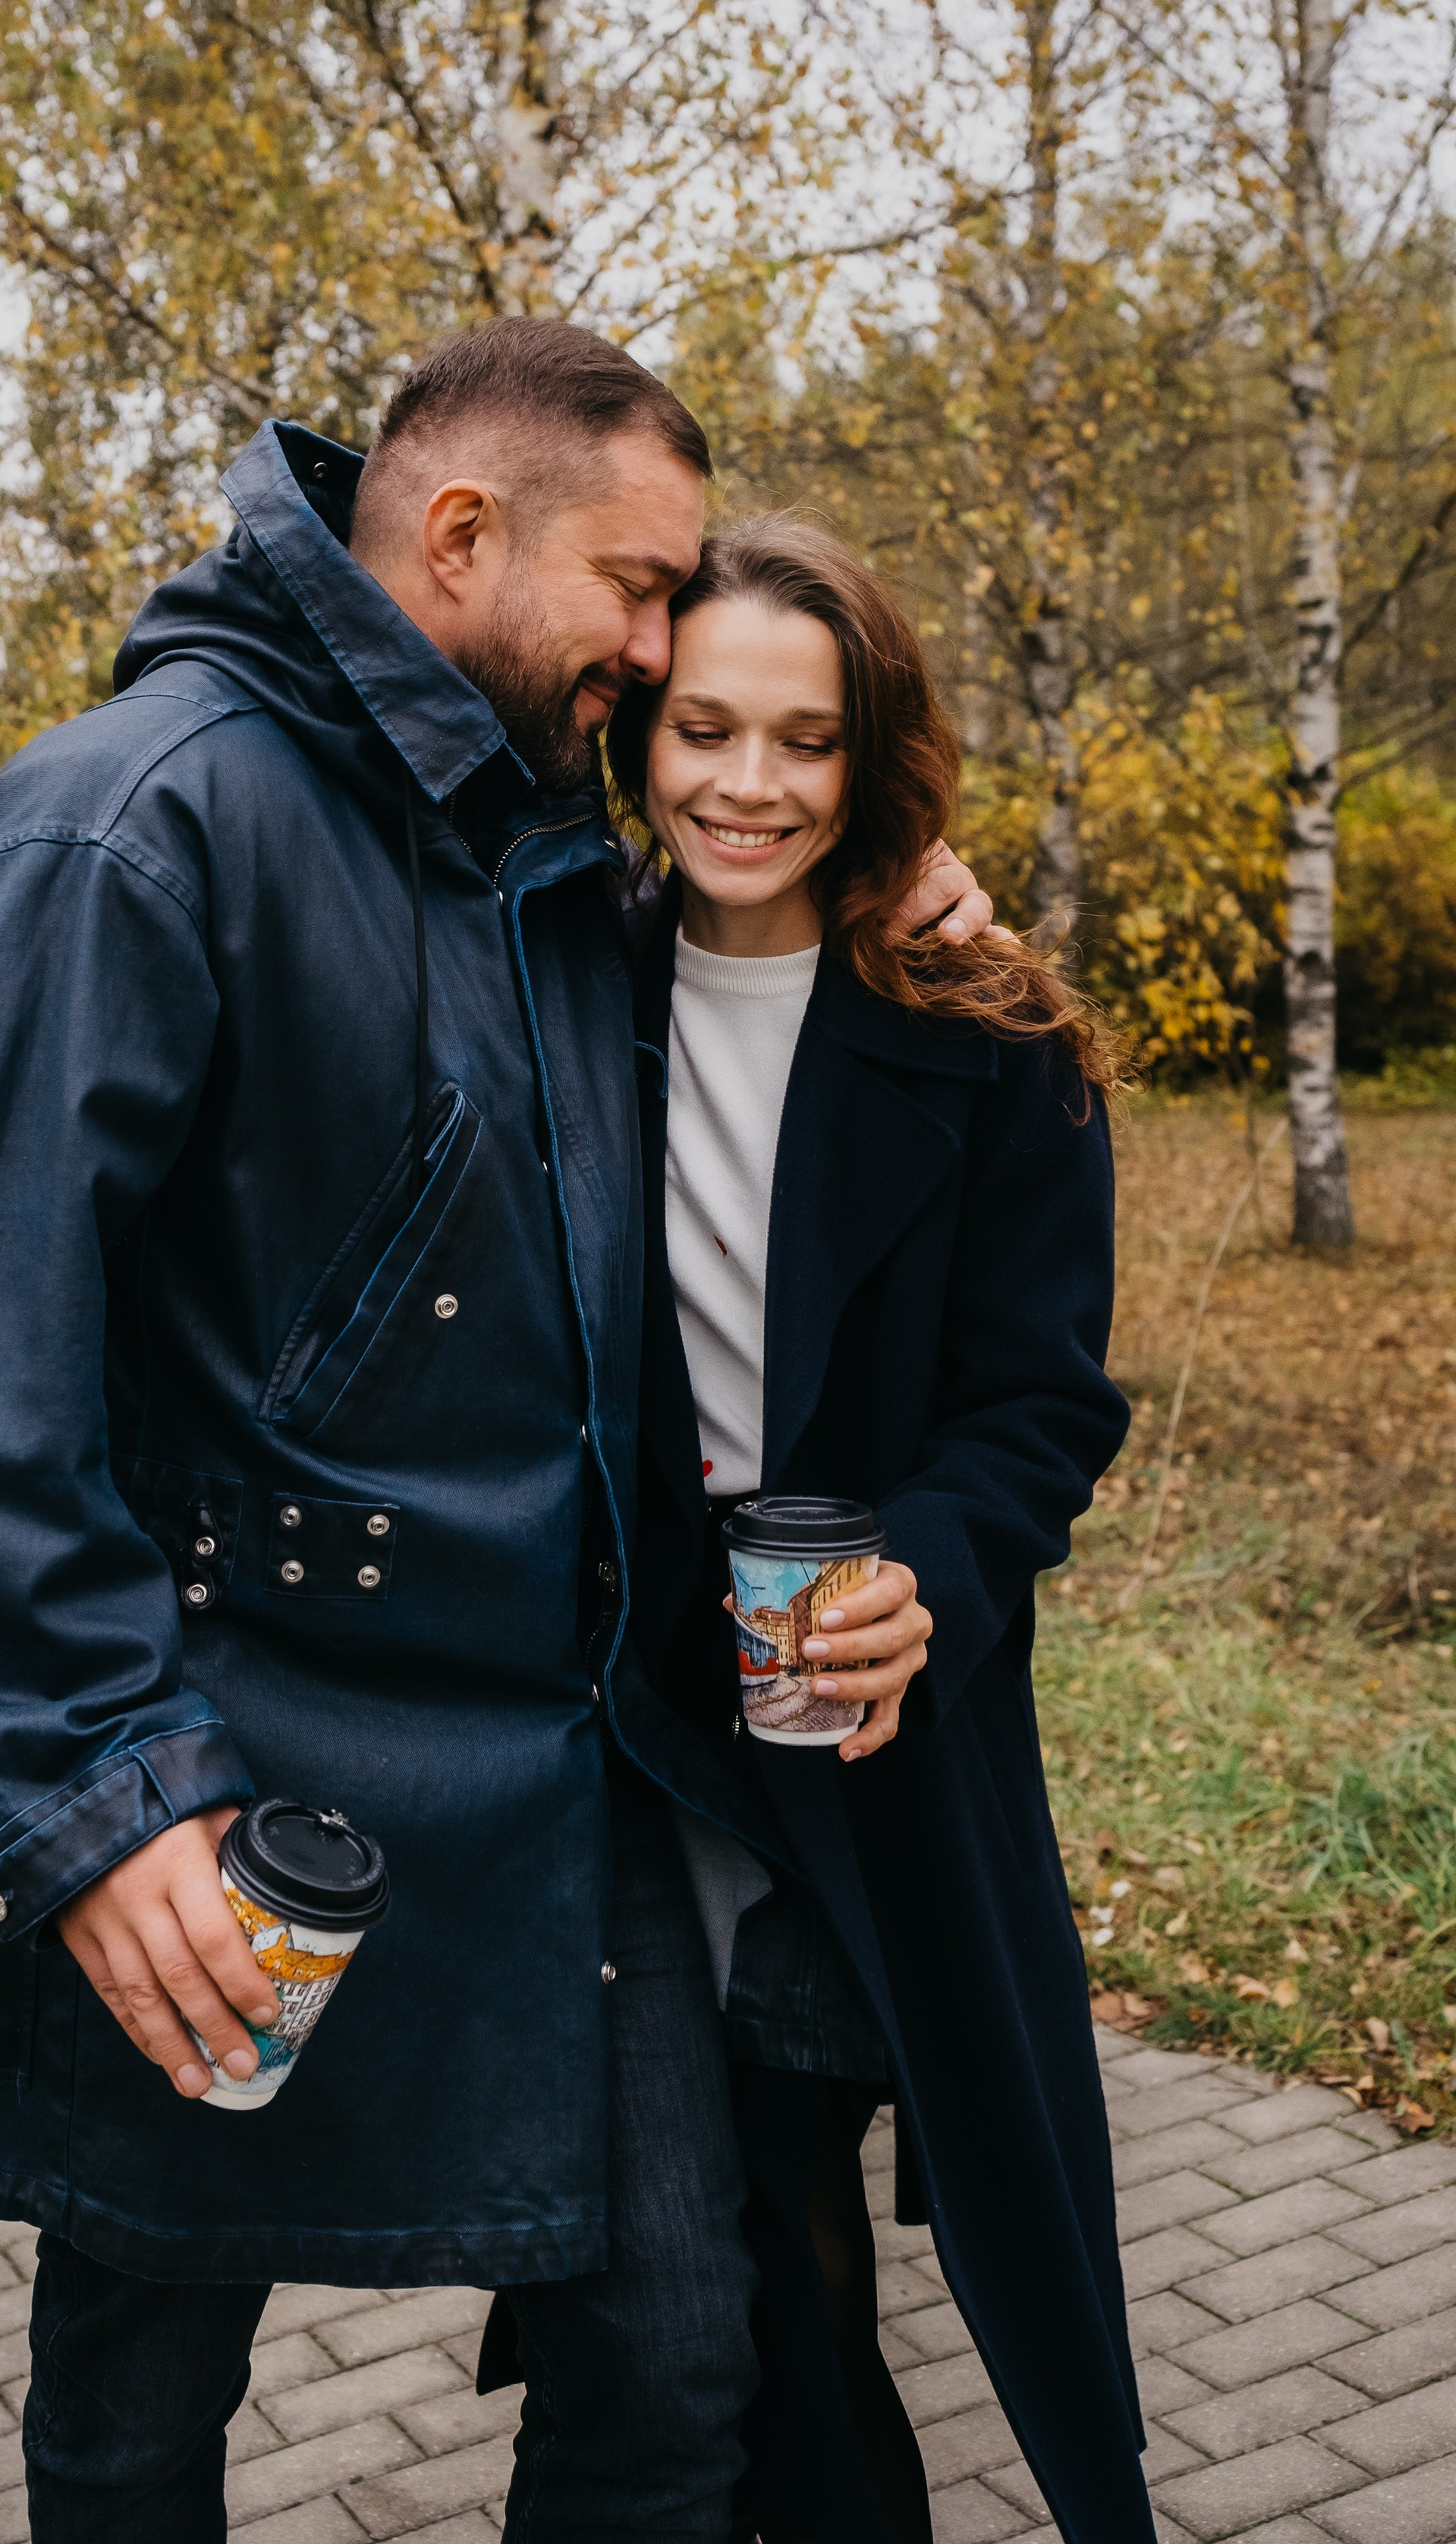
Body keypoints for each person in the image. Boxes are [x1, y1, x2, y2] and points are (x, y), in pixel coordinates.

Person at [0, 323, 992, 2542]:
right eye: (639, 591)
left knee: (676, 2373)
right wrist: (93, 1798)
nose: (658, 650)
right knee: (137, 2412)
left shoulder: (534, 850)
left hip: (555, 1789)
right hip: (214, 1789)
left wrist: (880, 911)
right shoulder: (131, 820)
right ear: (460, 535)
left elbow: (725, 1025)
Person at [600, 516, 1153, 2544]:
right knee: (712, 2271)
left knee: (799, 2233)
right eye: (707, 730)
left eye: (806, 742)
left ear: (873, 758)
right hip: (631, 1736)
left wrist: (931, 1564)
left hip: (871, 1731)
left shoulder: (980, 1027)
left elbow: (1043, 1399)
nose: (750, 785)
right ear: (638, 734)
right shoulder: (559, 980)